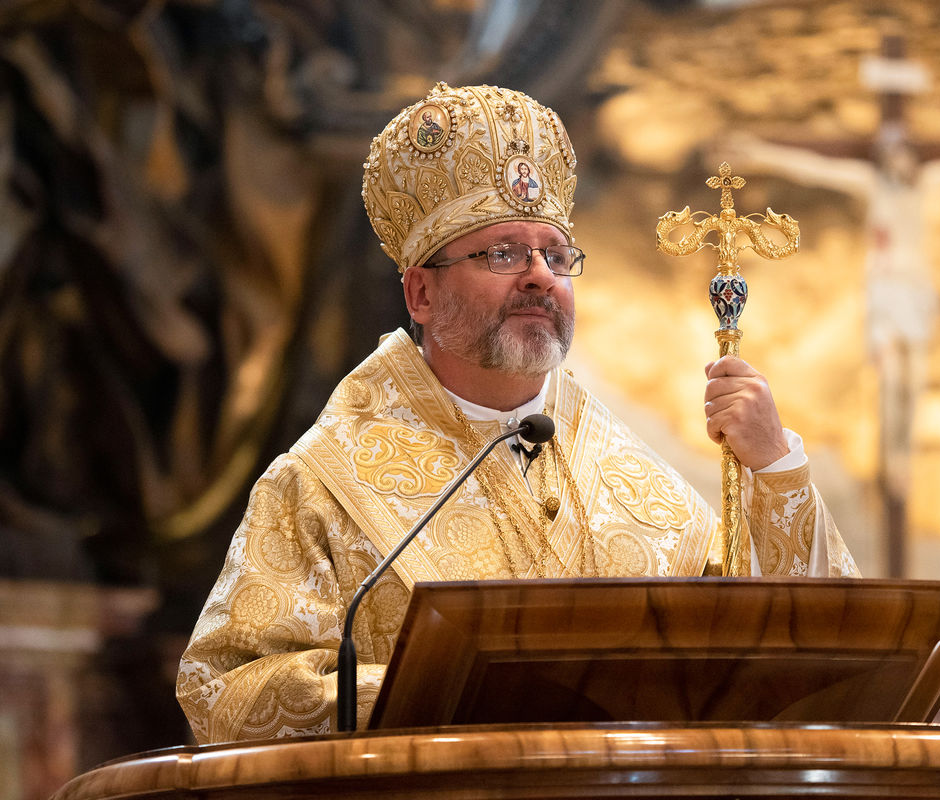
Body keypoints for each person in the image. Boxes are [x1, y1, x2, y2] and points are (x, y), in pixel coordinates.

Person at [176, 83, 859, 744]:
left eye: (556, 255)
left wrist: (775, 468)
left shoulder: (645, 494)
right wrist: (459, 690)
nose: (539, 275)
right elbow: (225, 694)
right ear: (420, 293)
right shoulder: (321, 484)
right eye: (502, 253)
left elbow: (798, 654)